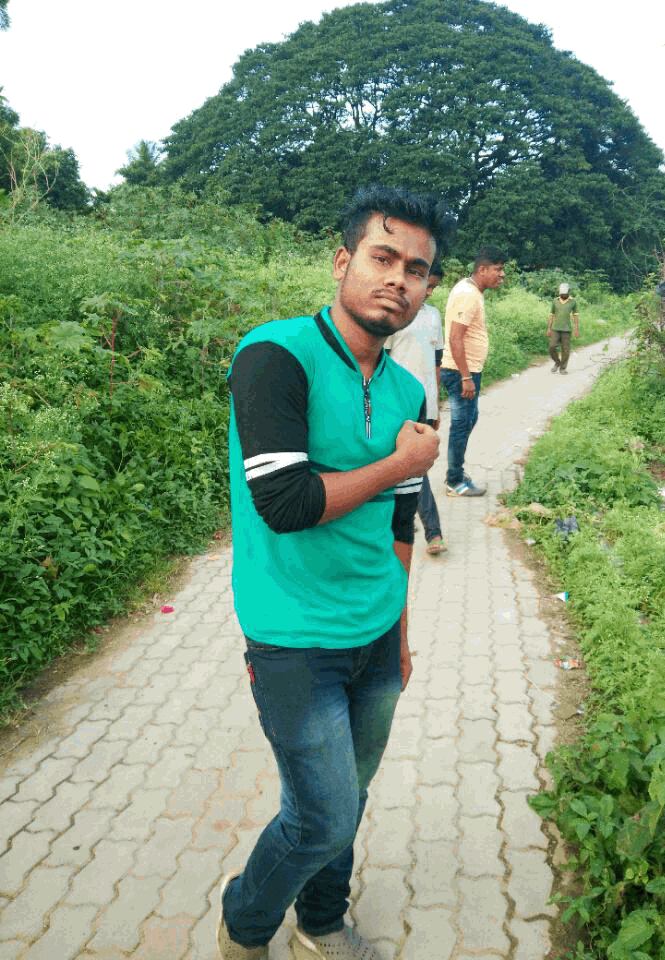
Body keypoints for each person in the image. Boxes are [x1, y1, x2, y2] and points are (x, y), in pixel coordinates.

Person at [218, 185, 454, 960]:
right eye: (383, 257)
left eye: (417, 270)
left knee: (349, 798)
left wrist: (402, 633)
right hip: (293, 635)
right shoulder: (274, 356)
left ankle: (321, 922)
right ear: (342, 261)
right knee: (319, 816)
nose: (399, 280)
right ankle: (245, 926)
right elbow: (284, 503)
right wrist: (400, 461)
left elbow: (398, 524)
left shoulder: (407, 390)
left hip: (377, 633)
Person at [385, 260, 447, 555]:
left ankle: (425, 528)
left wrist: (435, 405)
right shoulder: (394, 314)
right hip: (396, 403)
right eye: (427, 284)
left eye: (434, 287)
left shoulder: (434, 316)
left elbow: (436, 363)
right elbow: (381, 362)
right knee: (411, 467)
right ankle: (431, 532)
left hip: (425, 404)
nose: (429, 291)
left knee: (416, 468)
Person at [440, 245, 506, 497]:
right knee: (461, 424)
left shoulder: (473, 292)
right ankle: (454, 481)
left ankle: (456, 471)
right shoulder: (467, 294)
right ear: (483, 269)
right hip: (460, 372)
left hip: (466, 371)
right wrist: (466, 376)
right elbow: (455, 337)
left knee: (468, 420)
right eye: (498, 269)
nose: (502, 275)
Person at [547, 282, 579, 374]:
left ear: (568, 292)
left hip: (567, 329)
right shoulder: (555, 301)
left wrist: (576, 329)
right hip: (555, 328)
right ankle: (557, 362)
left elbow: (575, 316)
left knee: (565, 350)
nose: (563, 295)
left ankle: (563, 368)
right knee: (552, 347)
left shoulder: (573, 302)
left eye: (565, 294)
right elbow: (552, 315)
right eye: (562, 294)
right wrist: (549, 328)